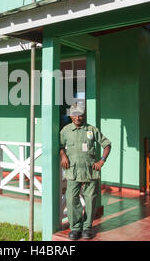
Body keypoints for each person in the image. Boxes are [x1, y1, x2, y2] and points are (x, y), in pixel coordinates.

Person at [60, 103, 111, 240]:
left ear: (84, 115)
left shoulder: (92, 130)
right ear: (70, 115)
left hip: (90, 170)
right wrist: (63, 155)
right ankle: (76, 228)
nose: (78, 117)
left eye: (80, 114)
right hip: (73, 171)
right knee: (71, 199)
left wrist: (101, 161)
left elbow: (107, 144)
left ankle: (87, 227)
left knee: (90, 200)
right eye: (75, 114)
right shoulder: (65, 131)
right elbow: (59, 146)